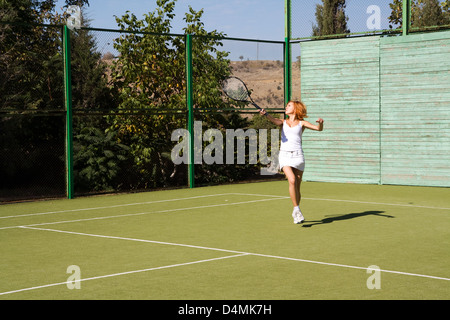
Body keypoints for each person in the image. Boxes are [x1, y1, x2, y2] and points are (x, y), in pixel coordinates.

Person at [260, 101, 324, 224]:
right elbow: (273, 120)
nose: (286, 107)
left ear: (295, 108)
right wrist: (266, 114)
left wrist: (321, 123)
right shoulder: (283, 122)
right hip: (284, 156)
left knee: (297, 187)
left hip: (298, 156)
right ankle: (296, 209)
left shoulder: (302, 123)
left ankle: (296, 211)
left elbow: (318, 129)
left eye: (289, 105)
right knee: (292, 180)